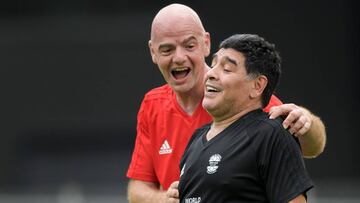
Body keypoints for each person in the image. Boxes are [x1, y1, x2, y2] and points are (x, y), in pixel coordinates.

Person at [127, 3, 325, 203]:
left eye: (189, 45)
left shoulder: (240, 99)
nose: (179, 57)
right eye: (167, 49)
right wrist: (163, 200)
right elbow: (137, 188)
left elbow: (310, 147)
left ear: (206, 43)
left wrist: (305, 122)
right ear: (153, 52)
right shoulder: (153, 104)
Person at [179, 33, 313, 202]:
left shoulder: (270, 134)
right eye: (213, 65)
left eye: (226, 68)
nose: (211, 74)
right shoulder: (196, 138)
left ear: (257, 86)